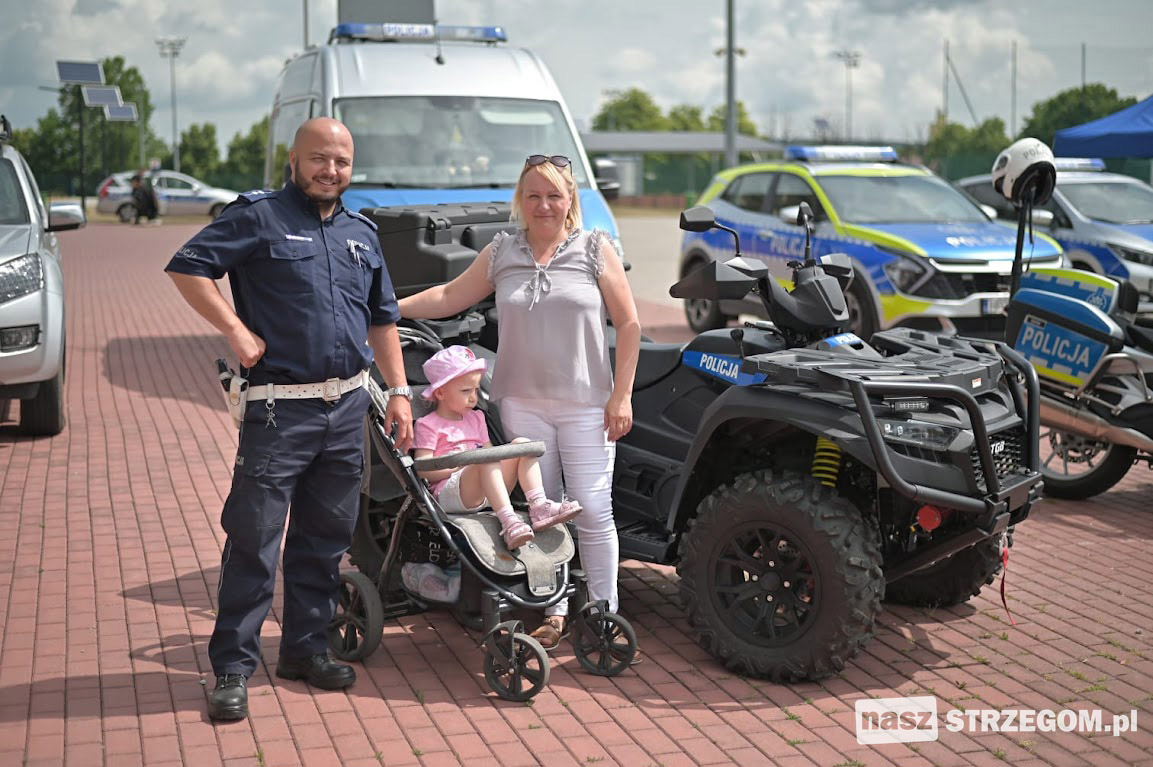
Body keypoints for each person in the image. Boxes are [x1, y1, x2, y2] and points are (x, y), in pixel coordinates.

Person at [164, 117, 414, 721]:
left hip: (347, 408)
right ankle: (232, 667)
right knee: (255, 539)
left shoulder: (362, 233)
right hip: (280, 409)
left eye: (342, 162)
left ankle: (305, 650)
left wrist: (400, 392)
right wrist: (235, 330)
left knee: (325, 538)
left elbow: (382, 319)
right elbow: (187, 268)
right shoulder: (257, 216)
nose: (331, 171)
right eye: (319, 159)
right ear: (295, 160)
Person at [400, 153, 640, 653]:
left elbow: (630, 323)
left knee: (594, 510)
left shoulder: (595, 248)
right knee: (541, 509)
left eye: (554, 195)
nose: (543, 205)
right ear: (520, 199)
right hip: (522, 405)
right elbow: (448, 297)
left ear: (570, 199)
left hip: (587, 404)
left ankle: (603, 613)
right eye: (533, 195)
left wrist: (622, 395)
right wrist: (388, 308)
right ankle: (554, 612)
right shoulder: (502, 251)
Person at [413, 345, 582, 551]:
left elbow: (491, 452)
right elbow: (423, 469)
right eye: (466, 391)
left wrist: (479, 461)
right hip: (451, 492)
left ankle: (539, 506)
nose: (473, 398)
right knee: (484, 459)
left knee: (522, 445)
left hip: (486, 486)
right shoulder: (428, 425)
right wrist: (460, 465)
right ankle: (509, 523)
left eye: (476, 390)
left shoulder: (477, 417)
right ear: (440, 392)